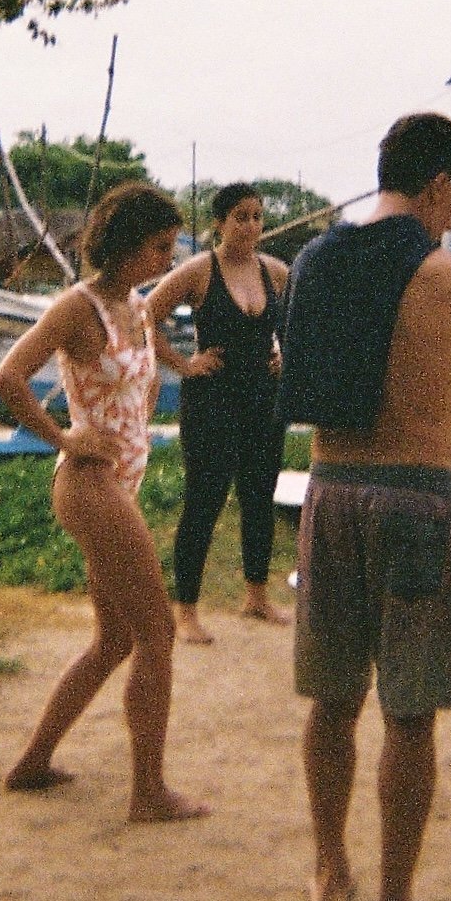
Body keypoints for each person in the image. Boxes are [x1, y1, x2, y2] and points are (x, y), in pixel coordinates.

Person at [277, 112, 451, 901]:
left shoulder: (312, 259)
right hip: (417, 495)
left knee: (332, 699)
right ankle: (397, 898)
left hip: (332, 488)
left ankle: (329, 868)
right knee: (409, 709)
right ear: (439, 184)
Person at [0, 182, 209, 824]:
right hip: (89, 486)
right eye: (160, 245)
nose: (168, 257)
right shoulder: (75, 308)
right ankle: (148, 793)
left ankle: (33, 762)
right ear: (124, 243)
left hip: (121, 481)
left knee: (114, 639)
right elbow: (9, 378)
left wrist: (132, 434)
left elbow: (136, 391)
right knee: (158, 631)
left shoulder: (139, 307)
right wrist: (63, 435)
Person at [146, 182, 291, 645]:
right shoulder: (199, 271)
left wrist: (285, 353)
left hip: (262, 399)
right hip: (212, 399)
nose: (250, 225)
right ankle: (185, 609)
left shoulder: (276, 272)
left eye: (256, 216)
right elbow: (146, 313)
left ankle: (256, 594)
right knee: (204, 501)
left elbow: (298, 321)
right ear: (219, 222)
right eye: (240, 217)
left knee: (258, 497)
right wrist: (183, 363)